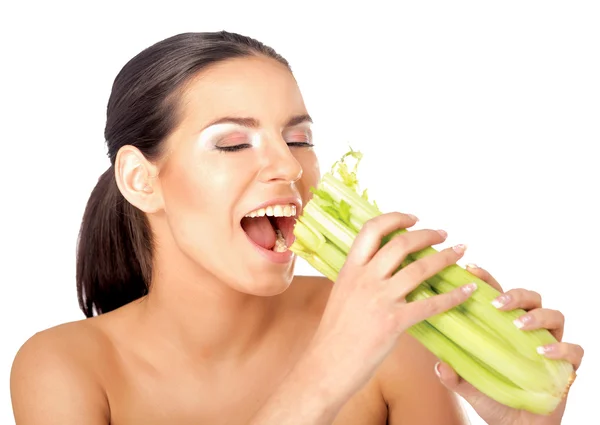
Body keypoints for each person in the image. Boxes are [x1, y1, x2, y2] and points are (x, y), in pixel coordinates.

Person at [10, 31, 583, 425]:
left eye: (300, 139)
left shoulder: (397, 329)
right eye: (233, 142)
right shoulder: (64, 367)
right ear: (141, 181)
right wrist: (330, 369)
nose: (288, 167)